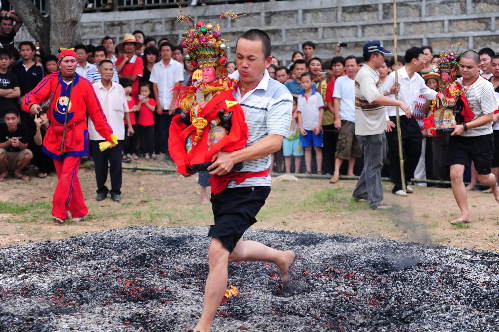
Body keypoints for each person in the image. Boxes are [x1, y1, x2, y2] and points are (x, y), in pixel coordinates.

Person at [192, 29, 295, 332]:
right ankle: (281, 256)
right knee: (231, 248)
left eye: (252, 58)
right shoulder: (224, 86)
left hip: (251, 184)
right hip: (221, 182)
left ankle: (204, 325)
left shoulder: (278, 94)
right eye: (239, 57)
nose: (244, 64)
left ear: (268, 60)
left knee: (218, 250)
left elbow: (275, 141)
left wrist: (233, 158)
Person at [22, 49, 116, 224]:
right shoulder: (50, 80)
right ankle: (80, 211)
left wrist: (109, 135)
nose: (70, 64)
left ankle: (59, 211)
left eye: (73, 61)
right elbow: (30, 97)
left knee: (67, 175)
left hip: (77, 135)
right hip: (55, 134)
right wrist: (33, 105)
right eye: (66, 61)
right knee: (67, 176)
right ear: (59, 64)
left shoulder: (85, 85)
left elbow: (97, 113)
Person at [352, 41, 410, 210]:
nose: (384, 58)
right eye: (382, 55)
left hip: (374, 123)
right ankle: (375, 200)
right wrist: (398, 102)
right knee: (374, 163)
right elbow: (373, 98)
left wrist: (388, 92)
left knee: (375, 161)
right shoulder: (366, 74)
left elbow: (372, 95)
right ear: (374, 56)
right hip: (370, 126)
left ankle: (360, 191)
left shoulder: (370, 73)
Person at [447, 50, 499, 224]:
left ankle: (494, 184)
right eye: (461, 66)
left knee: (484, 178)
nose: (464, 70)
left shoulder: (485, 86)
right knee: (455, 174)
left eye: (469, 67)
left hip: (481, 137)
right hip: (458, 136)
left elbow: (489, 116)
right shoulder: (455, 83)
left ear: (479, 67)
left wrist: (466, 126)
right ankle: (465, 213)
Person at [381, 47, 437, 196]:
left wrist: (444, 95)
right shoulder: (394, 76)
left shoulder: (418, 78)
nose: (424, 62)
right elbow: (381, 97)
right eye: (422, 59)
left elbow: (427, 92)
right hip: (394, 117)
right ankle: (398, 185)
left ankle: (406, 180)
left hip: (409, 117)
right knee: (397, 151)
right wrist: (385, 119)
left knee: (415, 148)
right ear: (414, 60)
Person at [90, 60, 133, 202]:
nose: (109, 72)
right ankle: (101, 190)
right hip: (98, 134)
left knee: (116, 163)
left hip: (116, 134)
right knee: (100, 164)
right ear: (100, 71)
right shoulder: (92, 88)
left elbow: (126, 109)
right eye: (106, 69)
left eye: (111, 69)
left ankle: (116, 191)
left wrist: (130, 126)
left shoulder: (119, 88)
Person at [330, 55, 361, 183]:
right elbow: (336, 100)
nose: (350, 68)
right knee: (343, 145)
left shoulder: (362, 81)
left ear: (357, 66)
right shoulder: (340, 81)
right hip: (346, 118)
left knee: (356, 147)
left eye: (352, 65)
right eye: (347, 65)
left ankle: (350, 171)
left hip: (360, 119)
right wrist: (337, 118)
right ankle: (336, 172)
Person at [149, 42, 183, 160]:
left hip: (174, 104)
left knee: (175, 130)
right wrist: (158, 104)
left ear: (171, 52)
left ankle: (175, 154)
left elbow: (178, 84)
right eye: (163, 50)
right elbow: (154, 86)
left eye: (167, 50)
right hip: (161, 103)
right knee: (162, 131)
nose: (165, 52)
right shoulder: (156, 67)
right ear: (160, 52)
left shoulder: (178, 66)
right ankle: (164, 152)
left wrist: (173, 103)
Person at [297, 72, 324, 174]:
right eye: (303, 82)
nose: (305, 84)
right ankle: (308, 170)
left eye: (307, 82)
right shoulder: (300, 97)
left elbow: (321, 111)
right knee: (307, 149)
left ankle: (319, 170)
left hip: (315, 127)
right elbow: (299, 113)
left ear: (312, 82)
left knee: (317, 148)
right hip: (305, 127)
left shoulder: (317, 95)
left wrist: (319, 125)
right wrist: (301, 127)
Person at [323, 56, 345, 175]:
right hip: (332, 120)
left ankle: (345, 171)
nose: (336, 68)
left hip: (349, 118)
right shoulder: (331, 84)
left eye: (339, 65)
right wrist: (337, 115)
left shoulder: (350, 80)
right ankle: (329, 170)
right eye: (334, 66)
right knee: (330, 146)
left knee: (344, 146)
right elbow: (329, 103)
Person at [0, 110, 33, 181]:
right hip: (5, 157)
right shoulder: (1, 128)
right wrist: (8, 143)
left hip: (18, 156)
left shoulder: (23, 127)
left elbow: (26, 146)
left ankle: (18, 172)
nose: (10, 121)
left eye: (13, 118)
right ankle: (4, 172)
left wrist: (19, 144)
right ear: (4, 120)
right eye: (8, 119)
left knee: (29, 154)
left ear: (18, 119)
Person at [115, 34, 144, 100]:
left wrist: (121, 76)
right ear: (124, 46)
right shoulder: (120, 59)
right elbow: (115, 73)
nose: (129, 46)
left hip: (134, 93)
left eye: (131, 44)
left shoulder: (139, 60)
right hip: (120, 92)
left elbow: (133, 78)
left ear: (135, 46)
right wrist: (124, 60)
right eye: (127, 44)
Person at [136, 82, 156, 159]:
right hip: (141, 123)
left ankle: (151, 151)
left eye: (146, 91)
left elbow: (153, 109)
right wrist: (141, 102)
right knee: (143, 139)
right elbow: (137, 109)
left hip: (150, 123)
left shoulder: (151, 100)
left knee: (150, 138)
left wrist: (146, 103)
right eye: (142, 91)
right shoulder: (139, 100)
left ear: (149, 92)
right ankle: (145, 152)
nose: (144, 93)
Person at [283, 97, 303, 173]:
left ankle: (297, 172)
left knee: (297, 156)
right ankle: (288, 172)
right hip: (286, 138)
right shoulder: (284, 114)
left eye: (294, 105)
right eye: (290, 104)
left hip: (297, 138)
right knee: (287, 156)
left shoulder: (298, 114)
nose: (291, 106)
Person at [32, 112, 55, 178]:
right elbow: (38, 143)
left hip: (55, 152)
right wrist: (38, 128)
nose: (41, 117)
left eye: (43, 115)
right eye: (39, 116)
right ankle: (43, 170)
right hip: (44, 156)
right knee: (39, 148)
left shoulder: (55, 125)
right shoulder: (36, 127)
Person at [0, 48, 20, 120]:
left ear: (10, 61)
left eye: (6, 59)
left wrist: (2, 93)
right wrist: (10, 90)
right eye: (1, 59)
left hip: (10, 109)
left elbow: (17, 93)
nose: (4, 61)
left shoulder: (13, 76)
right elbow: (13, 91)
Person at [121, 78, 139, 160]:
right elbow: (123, 111)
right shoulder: (121, 98)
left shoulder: (132, 98)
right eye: (125, 87)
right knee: (125, 140)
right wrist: (131, 110)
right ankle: (124, 153)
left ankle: (131, 152)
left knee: (133, 139)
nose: (128, 89)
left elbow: (136, 107)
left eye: (129, 86)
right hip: (124, 123)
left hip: (133, 122)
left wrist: (136, 107)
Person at [490, 54, 499, 185]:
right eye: (494, 65)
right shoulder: (486, 82)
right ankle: (494, 184)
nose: (497, 68)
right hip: (488, 125)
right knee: (493, 156)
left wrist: (495, 117)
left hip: (495, 123)